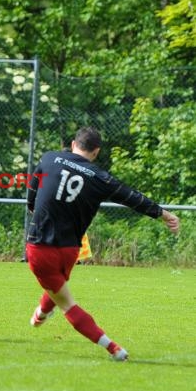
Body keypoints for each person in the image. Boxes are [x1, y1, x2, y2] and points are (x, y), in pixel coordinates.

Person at [25, 126, 179, 361]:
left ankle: (113, 348)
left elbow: (33, 188)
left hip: (40, 248)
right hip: (69, 249)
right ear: (96, 152)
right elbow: (131, 197)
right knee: (58, 285)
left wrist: (32, 205)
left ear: (73, 143)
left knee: (66, 302)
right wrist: (163, 214)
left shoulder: (49, 158)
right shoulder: (101, 178)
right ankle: (41, 313)